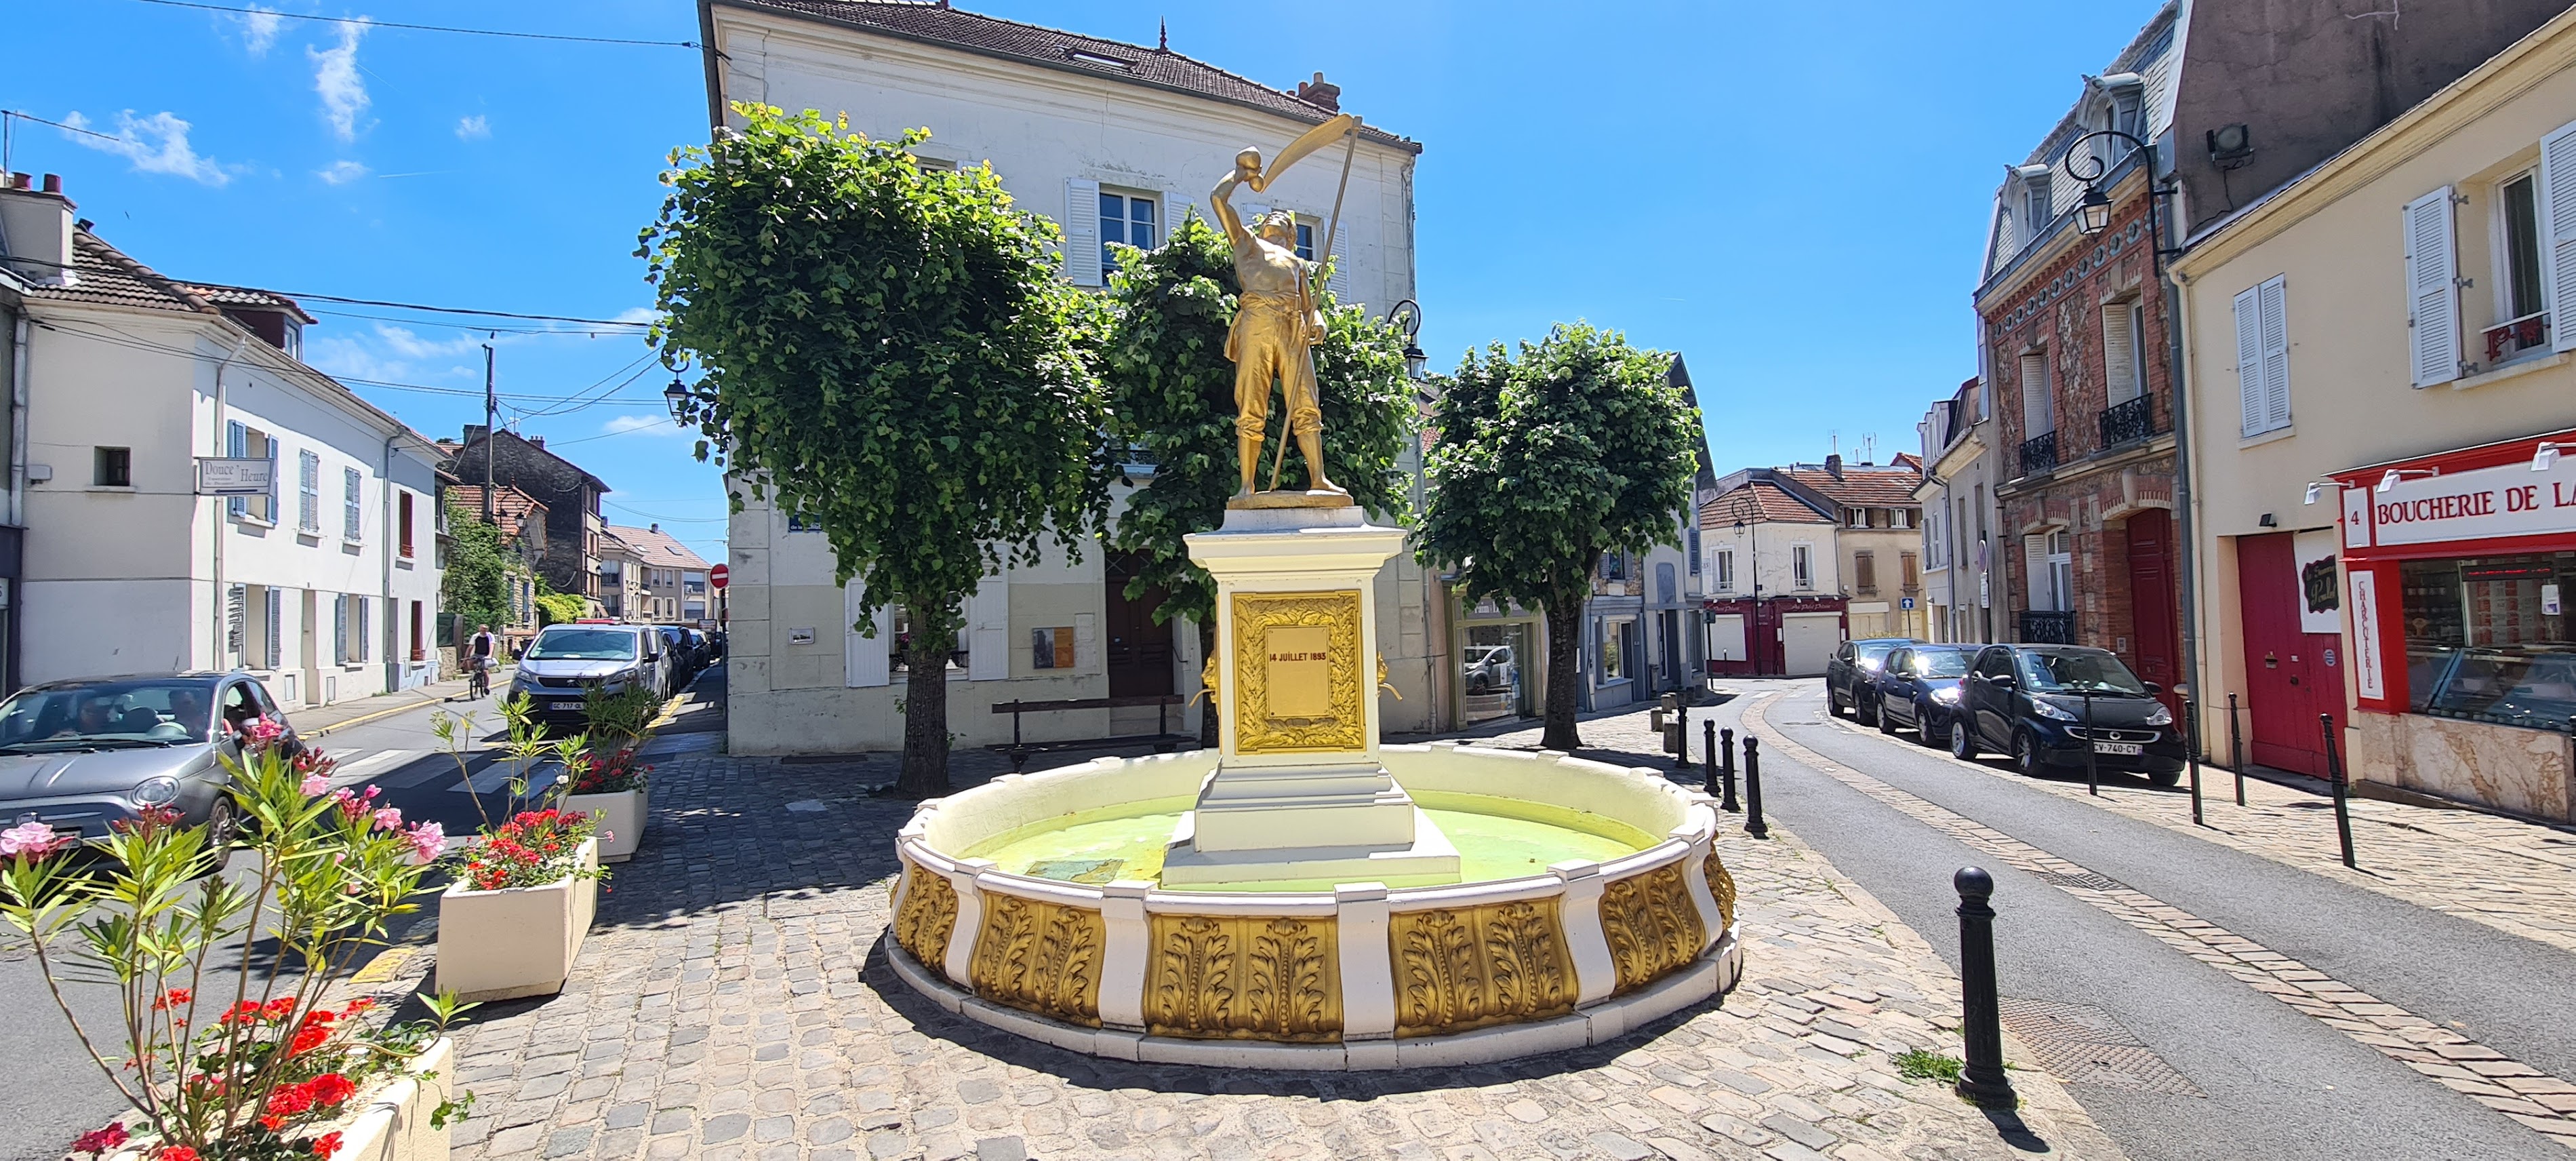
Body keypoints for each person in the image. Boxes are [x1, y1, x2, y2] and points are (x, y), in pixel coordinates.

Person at [1211, 151, 1344, 502]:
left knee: (1306, 403)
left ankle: (1319, 479)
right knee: (1251, 405)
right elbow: (1218, 199)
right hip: (1256, 322)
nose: (1276, 217)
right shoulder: (1247, 243)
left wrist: (1318, 321)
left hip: (1292, 326)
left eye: (1283, 219)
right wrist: (1240, 173)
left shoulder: (1299, 263)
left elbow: (1309, 306)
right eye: (1270, 217)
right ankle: (1247, 485)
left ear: (1291, 234)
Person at [469, 624, 497, 698]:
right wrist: (466, 657)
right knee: (471, 662)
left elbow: (492, 646)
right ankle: (474, 675)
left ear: (487, 630)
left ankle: (487, 686)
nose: (483, 630)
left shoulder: (490, 636)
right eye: (482, 629)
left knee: (485, 671)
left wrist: (490, 655)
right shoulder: (475, 636)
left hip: (486, 655)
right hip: (477, 654)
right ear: (479, 629)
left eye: (485, 629)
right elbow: (470, 647)